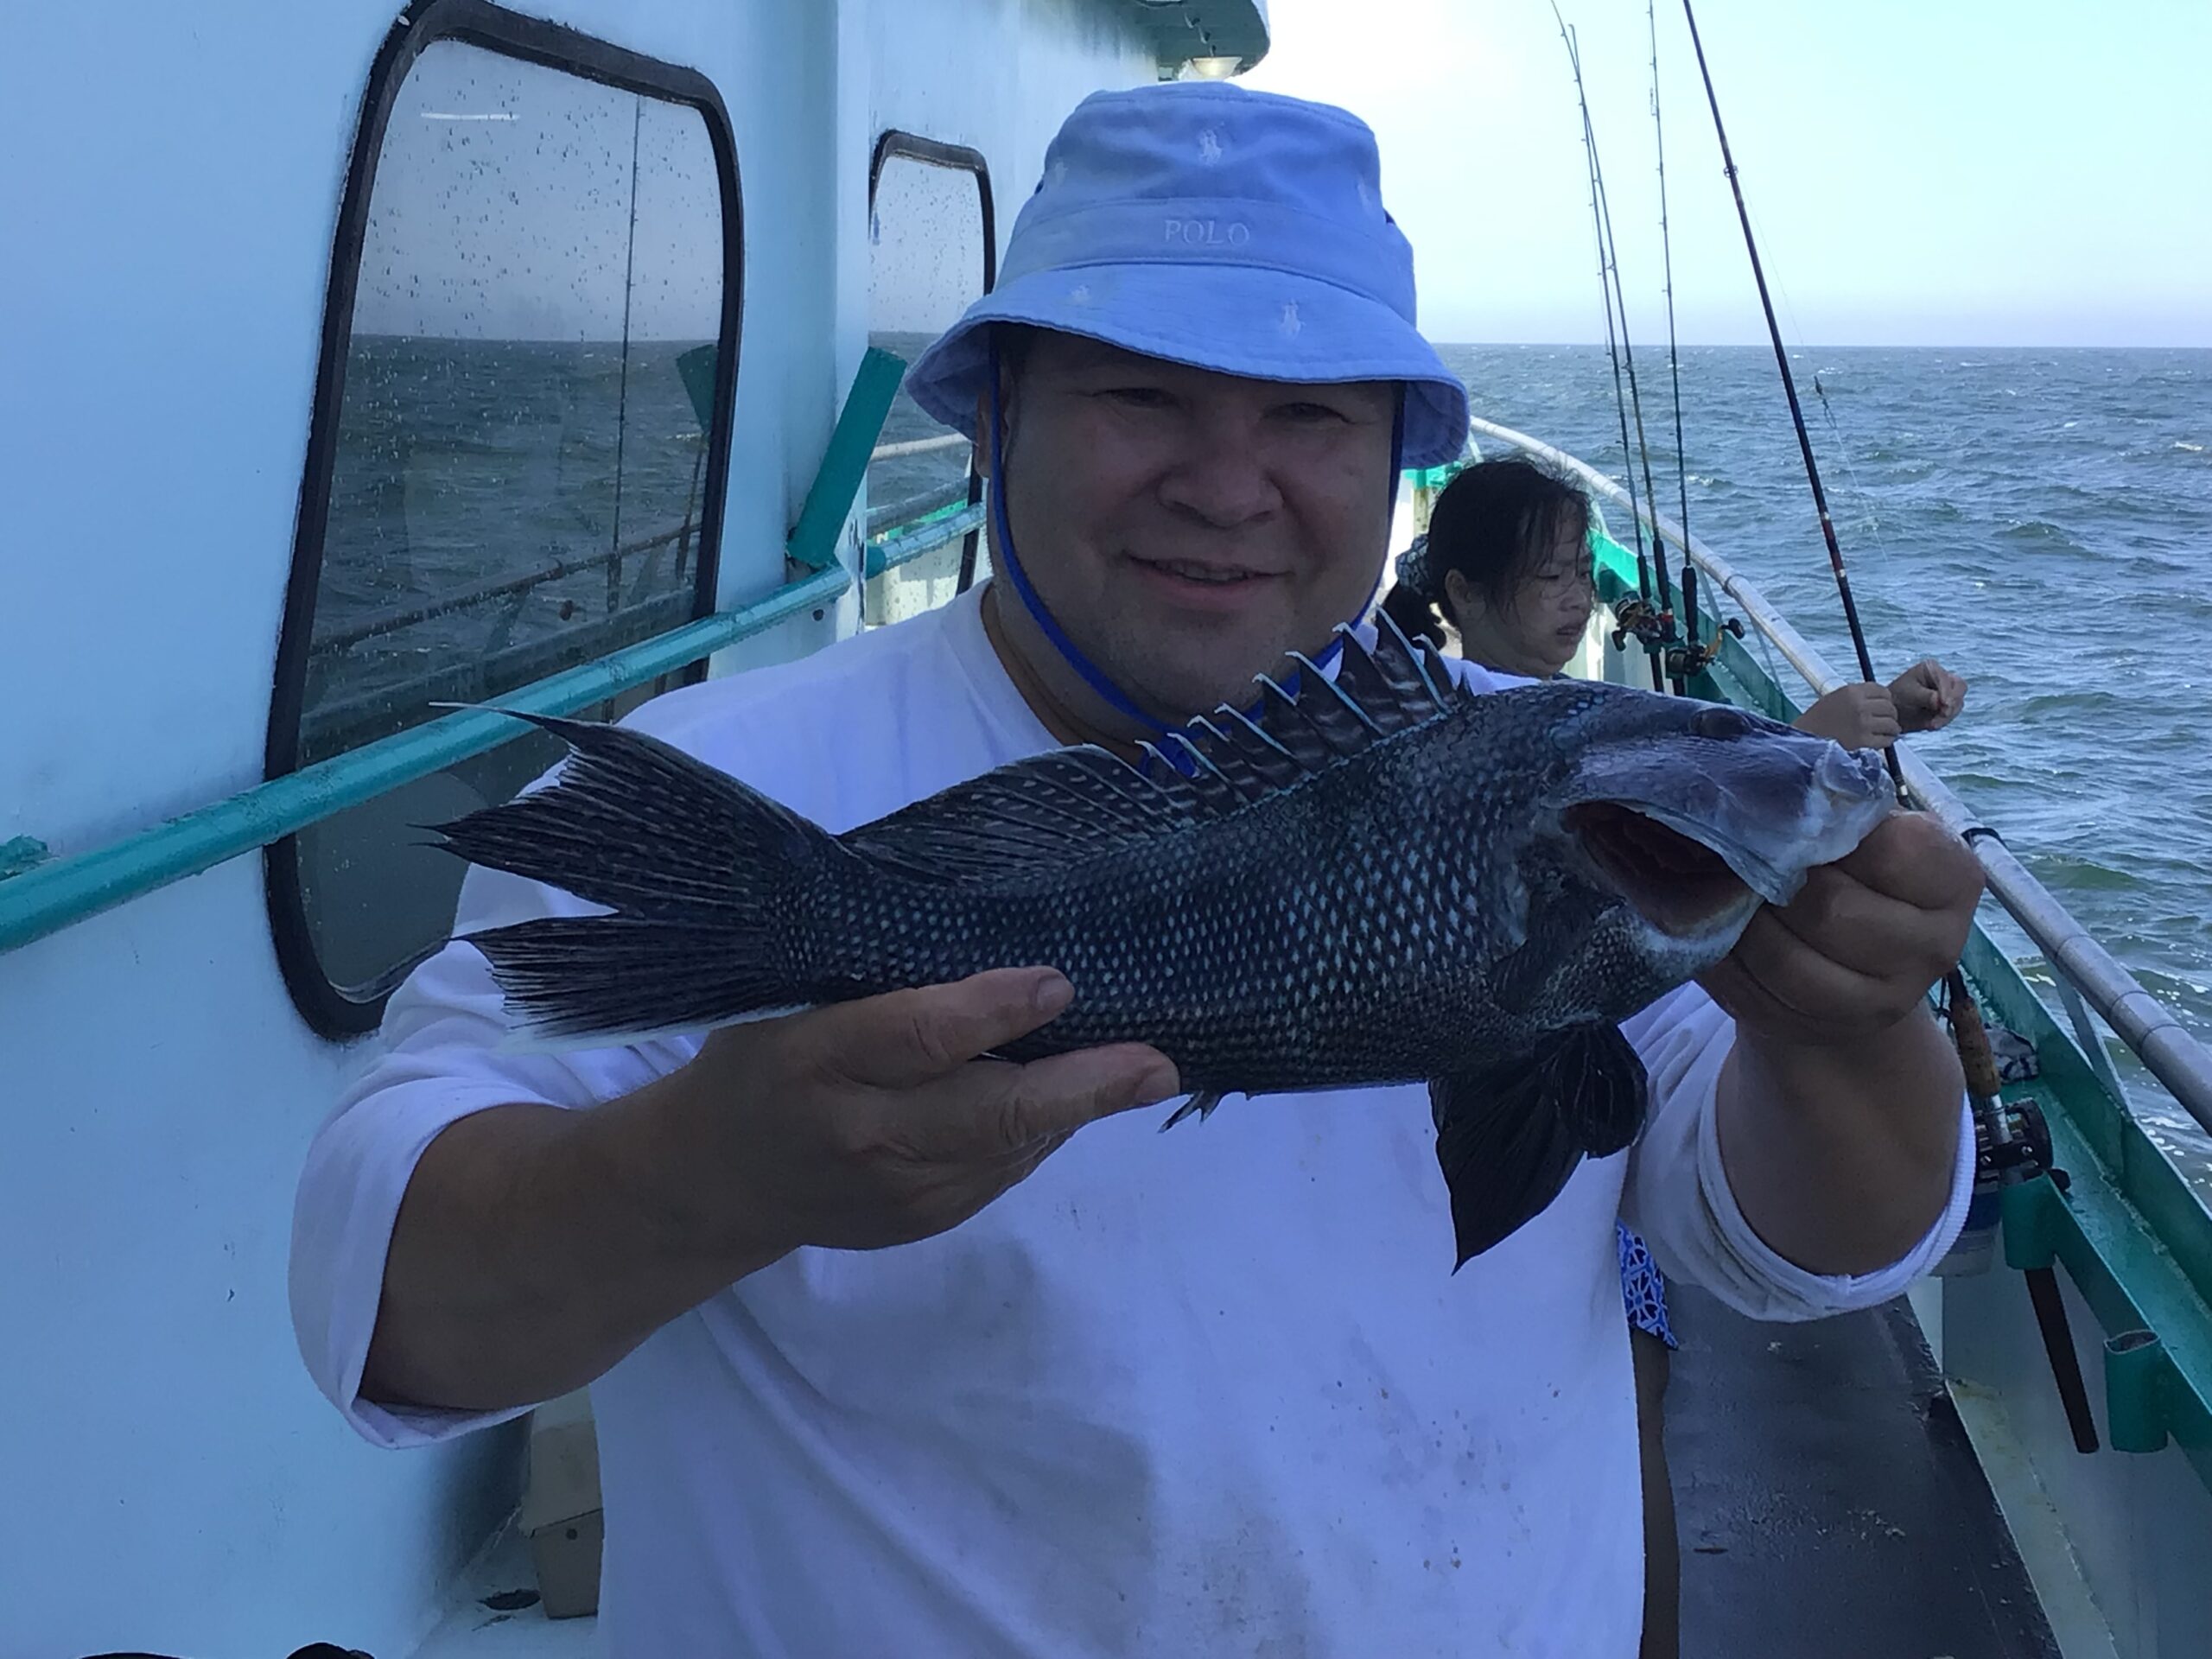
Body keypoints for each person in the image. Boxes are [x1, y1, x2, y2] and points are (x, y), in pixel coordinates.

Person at [289, 84, 1980, 1656]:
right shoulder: (744, 791)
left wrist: (1839, 1030)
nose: (1224, 481)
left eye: (1306, 412)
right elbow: (383, 1307)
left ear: (1394, 456)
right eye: (1140, 395)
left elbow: (1794, 1250)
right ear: (994, 415)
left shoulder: (1541, 770)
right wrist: (706, 1173)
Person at [1382, 454, 1970, 1659]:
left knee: (1629, 1388)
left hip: (1584, 1171)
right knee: (1636, 1381)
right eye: (1545, 575)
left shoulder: (1553, 727)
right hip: (1575, 1192)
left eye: (1577, 575)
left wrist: (1835, 1022)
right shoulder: (1499, 737)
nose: (1574, 601)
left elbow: (1723, 1115)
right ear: (1463, 590)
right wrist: (1796, 753)